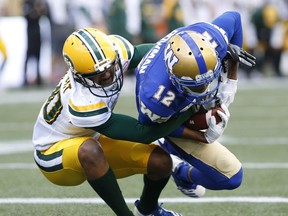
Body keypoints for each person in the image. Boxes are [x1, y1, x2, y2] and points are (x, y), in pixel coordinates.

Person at [32, 27, 198, 215]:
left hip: (89, 137)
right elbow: (142, 133)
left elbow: (157, 55)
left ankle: (148, 209)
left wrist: (190, 60)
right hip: (52, 154)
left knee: (160, 162)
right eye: (96, 73)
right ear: (78, 75)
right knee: (90, 151)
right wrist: (191, 108)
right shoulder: (81, 101)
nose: (107, 75)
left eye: (109, 67)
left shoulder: (116, 50)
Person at [135, 11, 256, 197]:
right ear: (174, 79)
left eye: (207, 81)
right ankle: (180, 169)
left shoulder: (213, 39)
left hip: (179, 92)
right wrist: (201, 137)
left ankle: (183, 172)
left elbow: (235, 17)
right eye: (197, 86)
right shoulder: (155, 95)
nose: (205, 88)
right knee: (231, 176)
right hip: (167, 117)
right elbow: (149, 128)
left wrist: (231, 81)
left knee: (233, 177)